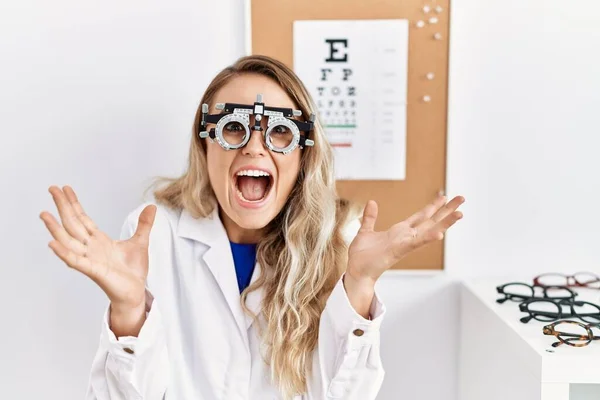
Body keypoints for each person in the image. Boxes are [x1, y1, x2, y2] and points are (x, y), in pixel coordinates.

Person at [39, 55, 465, 400]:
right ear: (206, 144)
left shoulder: (338, 240)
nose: (255, 146)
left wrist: (359, 285)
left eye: (279, 131)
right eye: (234, 128)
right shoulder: (154, 233)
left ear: (302, 158)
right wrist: (129, 313)